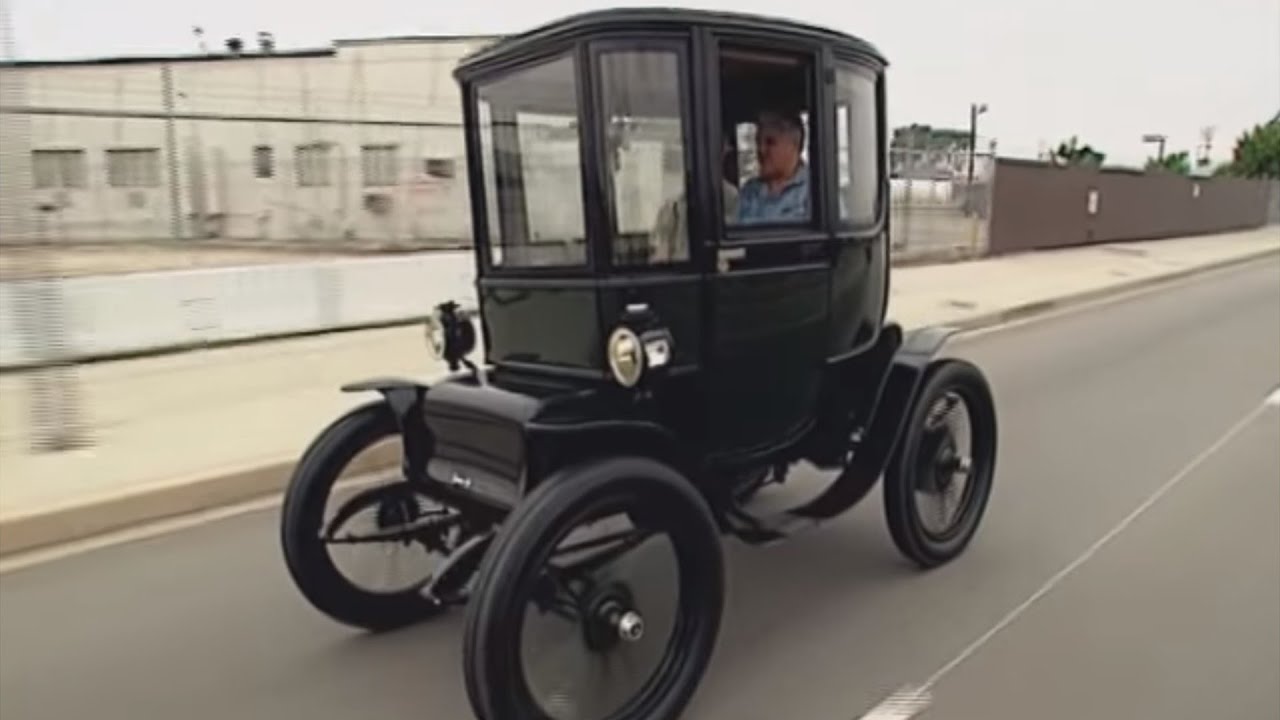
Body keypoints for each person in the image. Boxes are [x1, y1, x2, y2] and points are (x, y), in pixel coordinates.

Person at [735, 110, 810, 225]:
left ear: (794, 145)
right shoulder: (749, 192)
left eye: (770, 142)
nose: (761, 150)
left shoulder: (816, 192)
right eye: (758, 142)